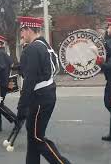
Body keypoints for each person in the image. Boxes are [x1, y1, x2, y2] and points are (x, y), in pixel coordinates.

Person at [17, 16, 71, 164]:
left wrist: (21, 108)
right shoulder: (43, 44)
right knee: (33, 136)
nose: (21, 35)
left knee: (36, 137)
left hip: (39, 97)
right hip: (47, 94)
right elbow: (41, 69)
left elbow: (29, 81)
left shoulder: (33, 48)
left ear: (28, 30)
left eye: (22, 31)